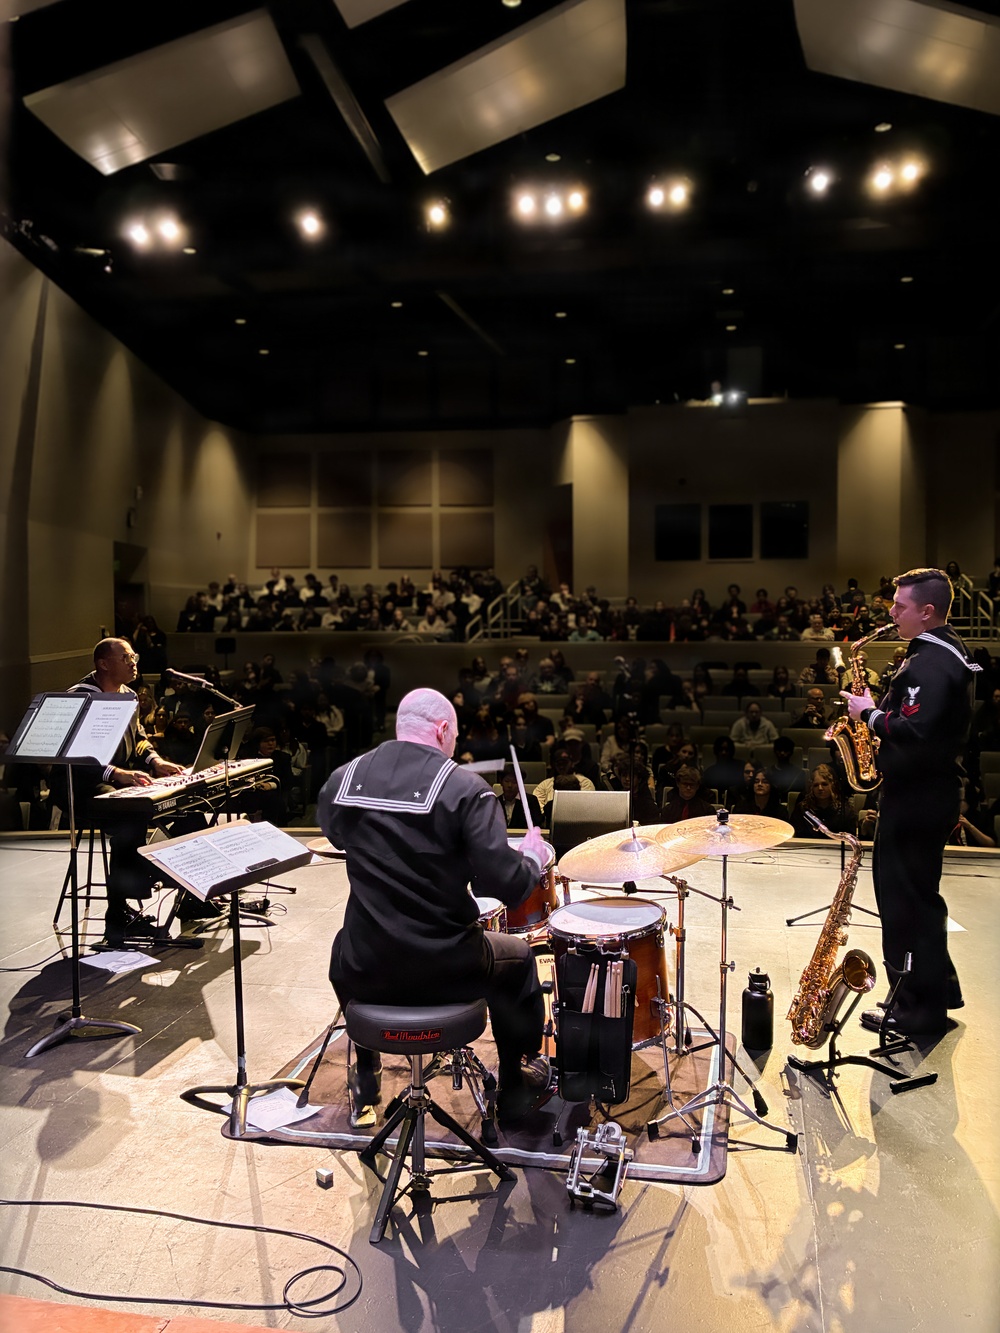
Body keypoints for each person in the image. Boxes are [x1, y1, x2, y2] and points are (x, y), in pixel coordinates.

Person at [318, 688, 551, 1126]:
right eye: (454, 737)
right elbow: (507, 886)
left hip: (369, 968)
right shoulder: (466, 790)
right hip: (447, 968)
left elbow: (337, 837)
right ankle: (516, 1088)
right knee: (519, 958)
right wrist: (532, 859)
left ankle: (366, 1074)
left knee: (342, 946)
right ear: (443, 730)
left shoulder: (343, 780)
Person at [841, 567, 981, 1036]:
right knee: (921, 900)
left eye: (900, 607)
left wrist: (870, 714)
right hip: (925, 795)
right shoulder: (940, 650)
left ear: (927, 611)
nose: (892, 613)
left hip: (916, 798)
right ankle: (935, 994)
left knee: (905, 905)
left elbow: (917, 733)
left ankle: (915, 1011)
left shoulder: (930, 662)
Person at [58, 638, 186, 945]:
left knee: (188, 808)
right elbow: (74, 753)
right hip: (80, 784)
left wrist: (156, 762)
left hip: (116, 778)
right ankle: (118, 918)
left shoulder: (128, 696)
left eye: (134, 657)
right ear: (103, 664)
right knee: (129, 818)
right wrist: (116, 773)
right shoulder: (81, 698)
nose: (133, 663)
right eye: (126, 658)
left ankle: (192, 897)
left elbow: (139, 739)